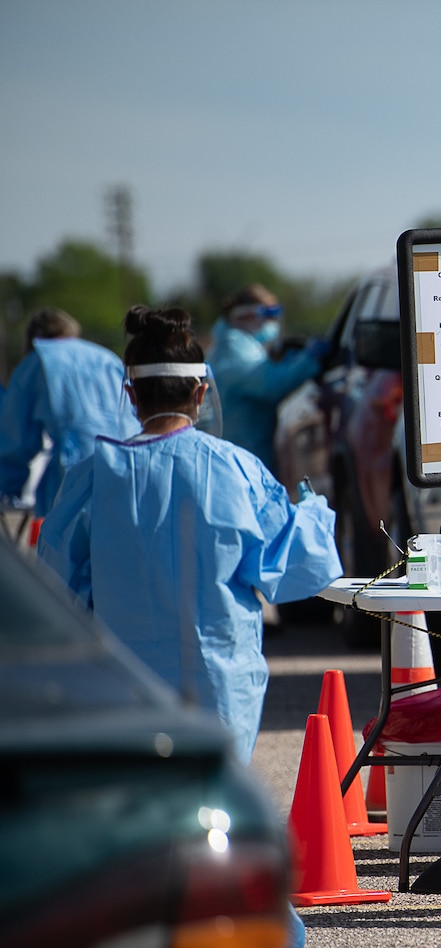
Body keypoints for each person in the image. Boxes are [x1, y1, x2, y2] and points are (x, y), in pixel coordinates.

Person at [39, 306, 342, 764]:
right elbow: (302, 566)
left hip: (124, 690)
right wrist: (314, 508)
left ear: (131, 395)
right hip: (220, 692)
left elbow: (58, 588)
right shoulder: (237, 470)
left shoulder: (92, 477)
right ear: (201, 393)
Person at [0, 307, 139, 515]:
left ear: (32, 339)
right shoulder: (107, 357)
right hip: (130, 471)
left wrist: (8, 488)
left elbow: (16, 441)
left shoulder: (37, 361)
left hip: (76, 473)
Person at [206, 284, 325, 476]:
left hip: (242, 459)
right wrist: (309, 359)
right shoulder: (233, 349)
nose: (273, 324)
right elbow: (270, 384)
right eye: (269, 315)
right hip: (242, 463)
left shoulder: (234, 345)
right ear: (246, 316)